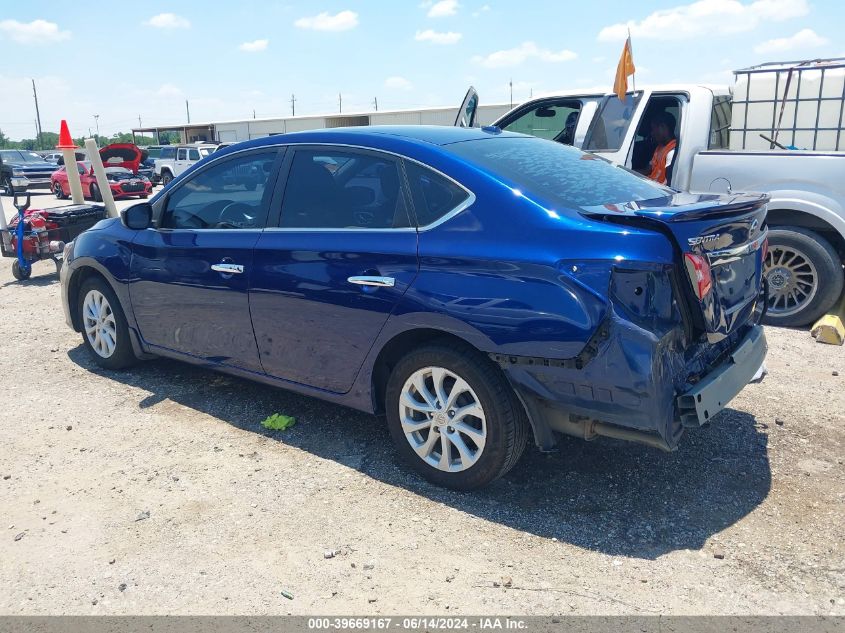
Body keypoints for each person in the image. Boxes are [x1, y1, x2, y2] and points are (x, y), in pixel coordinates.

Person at [644, 111, 677, 185]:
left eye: (653, 129)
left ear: (662, 127)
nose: (652, 133)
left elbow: (667, 183)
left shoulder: (672, 151)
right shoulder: (659, 147)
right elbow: (647, 170)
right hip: (650, 184)